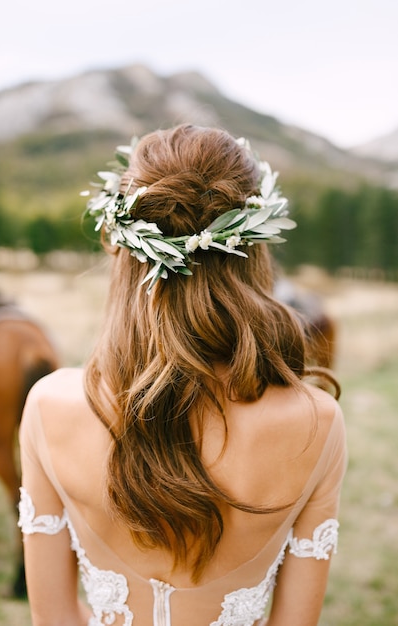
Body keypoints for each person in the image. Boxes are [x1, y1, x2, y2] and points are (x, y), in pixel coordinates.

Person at [18, 124, 347, 626]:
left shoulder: (49, 406)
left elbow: (54, 617)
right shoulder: (318, 422)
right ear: (255, 247)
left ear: (124, 249)